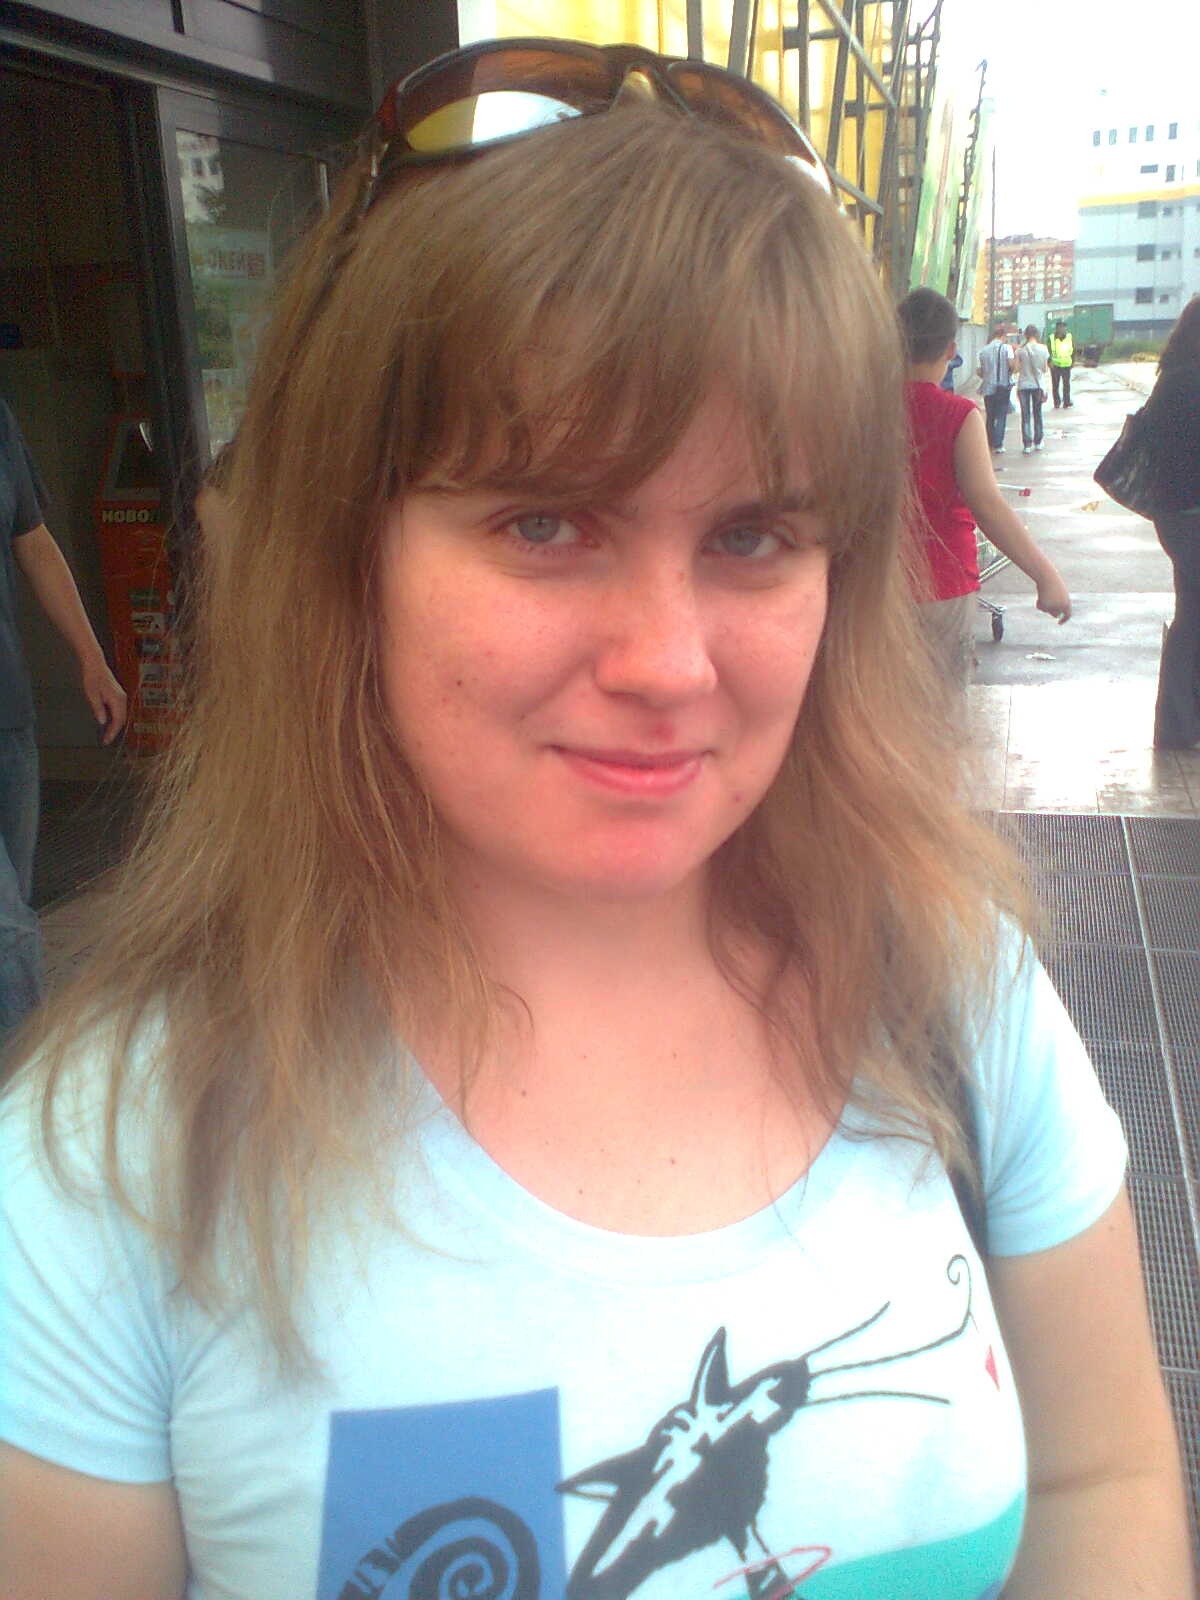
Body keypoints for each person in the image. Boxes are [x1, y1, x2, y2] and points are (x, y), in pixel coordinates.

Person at [0, 39, 1192, 1600]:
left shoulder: (953, 991)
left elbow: (1101, 1477)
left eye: (753, 535)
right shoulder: (117, 1163)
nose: (668, 663)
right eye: (546, 521)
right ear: (347, 559)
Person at [0, 398, 127, 1044]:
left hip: (8, 715)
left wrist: (91, 658)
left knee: (14, 907)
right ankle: (21, 1088)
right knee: (8, 930)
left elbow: (34, 542)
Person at [898, 288, 1072, 691]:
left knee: (875, 712)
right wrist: (1045, 576)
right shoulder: (958, 415)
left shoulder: (862, 414)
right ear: (951, 350)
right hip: (942, 586)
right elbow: (987, 504)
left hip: (872, 590)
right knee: (939, 711)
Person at [1142, 295, 1200, 748]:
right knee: (1192, 619)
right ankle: (1178, 727)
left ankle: (1179, 725)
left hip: (1175, 516)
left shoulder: (1173, 377)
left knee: (1191, 613)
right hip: (1190, 516)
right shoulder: (1189, 383)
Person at [976, 323, 1016, 452]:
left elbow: (979, 371)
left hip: (987, 387)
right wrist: (1011, 371)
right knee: (1001, 415)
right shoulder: (1006, 348)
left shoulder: (983, 350)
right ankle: (998, 444)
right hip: (1002, 386)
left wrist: (988, 375)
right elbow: (1011, 365)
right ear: (1003, 336)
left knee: (990, 415)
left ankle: (990, 441)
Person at [1016, 324, 1049, 454]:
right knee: (1037, 413)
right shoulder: (1043, 349)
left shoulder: (1020, 350)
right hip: (1037, 385)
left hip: (1023, 385)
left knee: (1025, 415)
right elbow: (1045, 369)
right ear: (1037, 334)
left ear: (1025, 335)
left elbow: (1016, 369)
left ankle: (1027, 444)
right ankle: (1038, 441)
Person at [1049, 320, 1074, 408]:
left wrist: (1073, 362)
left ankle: (1066, 401)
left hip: (1066, 365)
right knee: (1055, 385)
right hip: (1055, 365)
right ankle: (1057, 402)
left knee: (1066, 385)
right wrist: (1049, 362)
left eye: (1064, 327)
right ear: (1057, 328)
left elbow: (1073, 349)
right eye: (1061, 327)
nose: (1063, 329)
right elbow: (1048, 350)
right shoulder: (1052, 338)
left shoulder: (1069, 337)